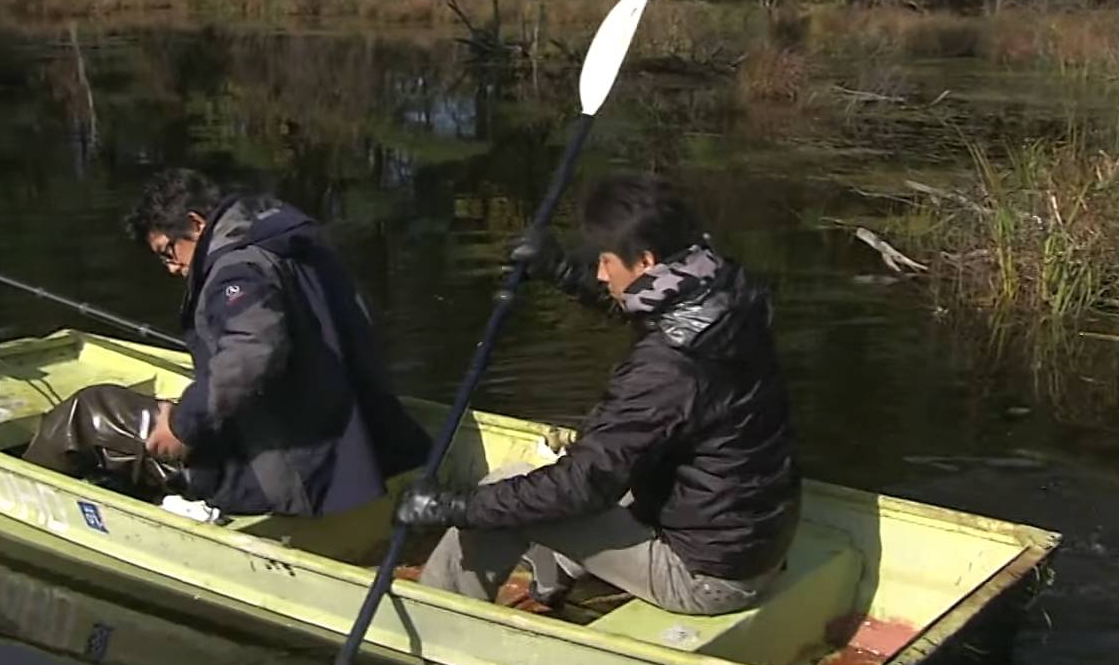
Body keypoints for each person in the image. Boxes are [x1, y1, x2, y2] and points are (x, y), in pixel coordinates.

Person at [394, 174, 801, 616]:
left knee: (497, 493)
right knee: (568, 475)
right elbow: (648, 308)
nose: (601, 272)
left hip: (706, 579)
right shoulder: (728, 293)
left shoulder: (667, 367)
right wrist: (563, 271)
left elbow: (581, 488)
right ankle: (553, 573)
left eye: (606, 262)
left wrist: (451, 506)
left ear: (646, 261)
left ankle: (435, 616)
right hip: (754, 539)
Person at [123, 168, 430, 519]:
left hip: (292, 477)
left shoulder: (235, 271)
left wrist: (183, 423)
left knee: (92, 413)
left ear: (195, 225)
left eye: (168, 252)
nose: (172, 269)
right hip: (365, 451)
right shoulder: (294, 242)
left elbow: (251, 352)